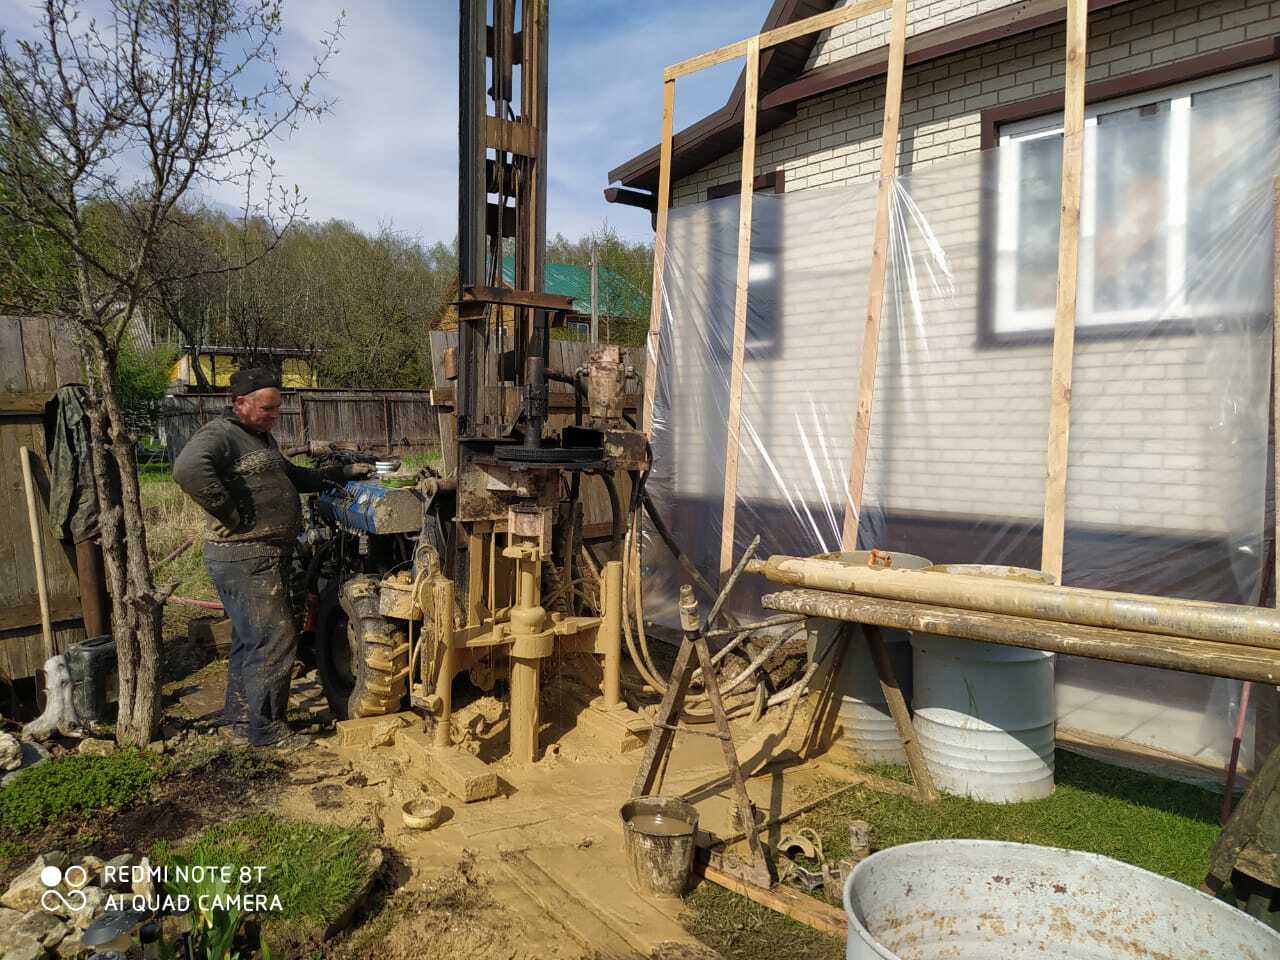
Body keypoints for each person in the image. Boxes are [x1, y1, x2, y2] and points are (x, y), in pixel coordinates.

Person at [174, 367, 372, 749]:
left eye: (277, 408)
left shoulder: (258, 437)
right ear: (240, 403)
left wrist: (340, 473)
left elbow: (291, 476)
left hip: (258, 556)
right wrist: (231, 513)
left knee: (250, 641)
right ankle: (267, 732)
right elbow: (187, 470)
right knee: (275, 640)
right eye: (267, 408)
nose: (274, 415)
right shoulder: (220, 435)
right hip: (246, 557)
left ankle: (240, 720)